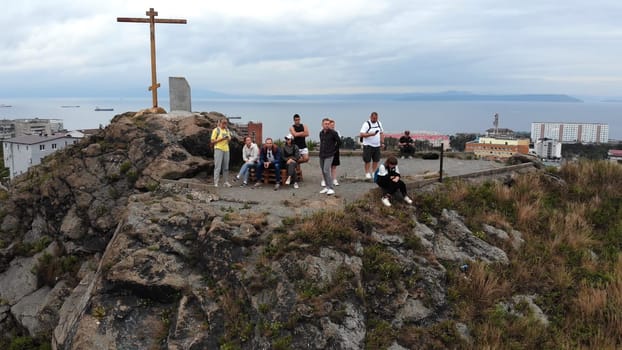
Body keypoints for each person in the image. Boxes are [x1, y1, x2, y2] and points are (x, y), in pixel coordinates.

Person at [319, 117, 341, 195]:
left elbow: (339, 142)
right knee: (323, 171)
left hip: (329, 155)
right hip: (322, 155)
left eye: (328, 124)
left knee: (326, 170)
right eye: (325, 124)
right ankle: (327, 187)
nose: (327, 125)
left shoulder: (333, 133)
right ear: (322, 124)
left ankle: (331, 188)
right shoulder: (321, 133)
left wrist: (334, 150)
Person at [359, 111, 384, 180]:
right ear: (370, 117)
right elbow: (361, 134)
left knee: (376, 160)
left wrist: (382, 142)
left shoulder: (379, 123)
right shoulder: (366, 124)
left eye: (376, 118)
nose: (374, 120)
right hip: (368, 145)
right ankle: (367, 173)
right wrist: (371, 134)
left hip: (377, 145)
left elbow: (381, 133)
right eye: (373, 118)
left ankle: (374, 172)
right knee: (367, 160)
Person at [211, 118, 232, 187]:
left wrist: (228, 139)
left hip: (226, 149)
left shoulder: (227, 130)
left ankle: (225, 182)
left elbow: (229, 140)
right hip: (218, 149)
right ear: (220, 123)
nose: (224, 124)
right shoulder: (216, 130)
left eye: (226, 123)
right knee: (218, 167)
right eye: (223, 123)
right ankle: (216, 182)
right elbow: (212, 141)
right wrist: (221, 139)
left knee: (226, 167)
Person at [329, 119, 341, 186]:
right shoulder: (325, 132)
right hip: (328, 151)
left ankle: (334, 179)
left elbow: (338, 142)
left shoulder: (337, 132)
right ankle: (324, 180)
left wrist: (335, 149)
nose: (333, 126)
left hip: (335, 151)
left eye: (333, 125)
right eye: (331, 125)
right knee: (326, 167)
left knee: (334, 167)